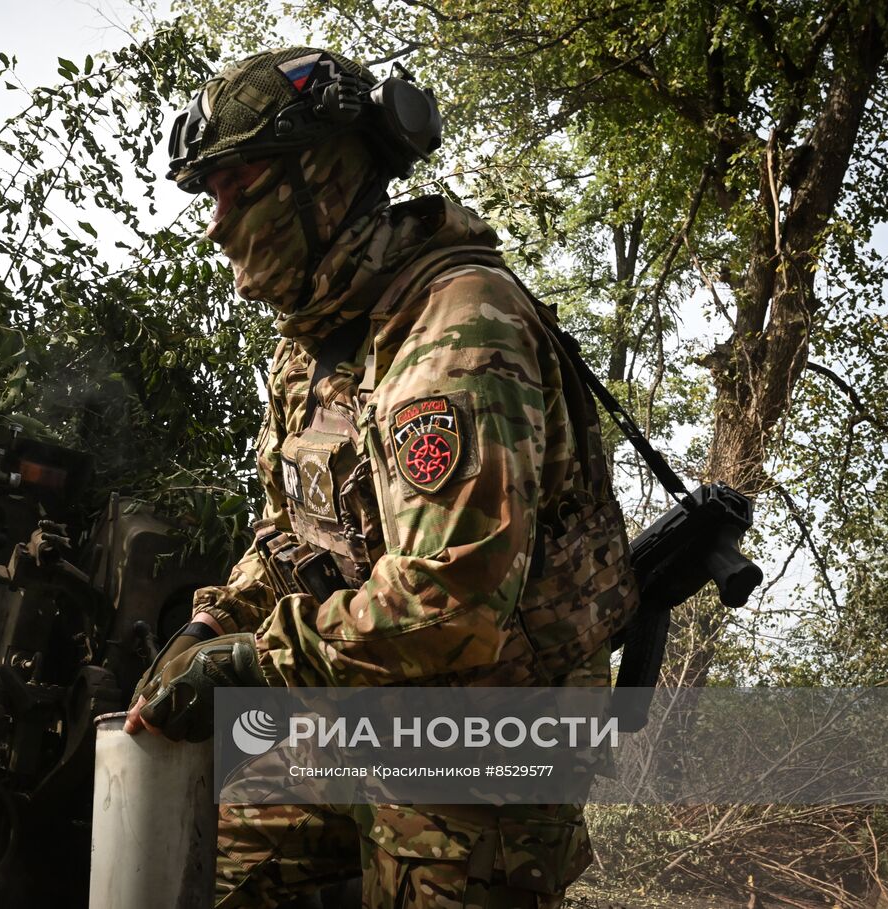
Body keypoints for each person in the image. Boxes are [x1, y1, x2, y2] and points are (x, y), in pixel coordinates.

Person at [126, 48, 639, 908]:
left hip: (483, 733)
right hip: (354, 696)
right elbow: (290, 538)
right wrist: (214, 617)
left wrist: (250, 661)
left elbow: (454, 600)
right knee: (217, 867)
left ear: (320, 178)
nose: (215, 225)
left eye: (235, 185)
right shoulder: (315, 348)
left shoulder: (456, 326)